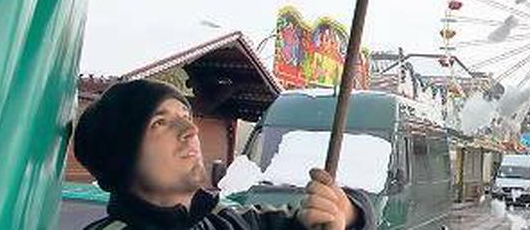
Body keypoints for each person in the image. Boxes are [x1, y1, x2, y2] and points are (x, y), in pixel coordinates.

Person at [73, 79, 375, 230]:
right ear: (121, 153)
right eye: (160, 122)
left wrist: (344, 211)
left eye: (185, 115)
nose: (190, 129)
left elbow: (352, 209)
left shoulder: (228, 223)